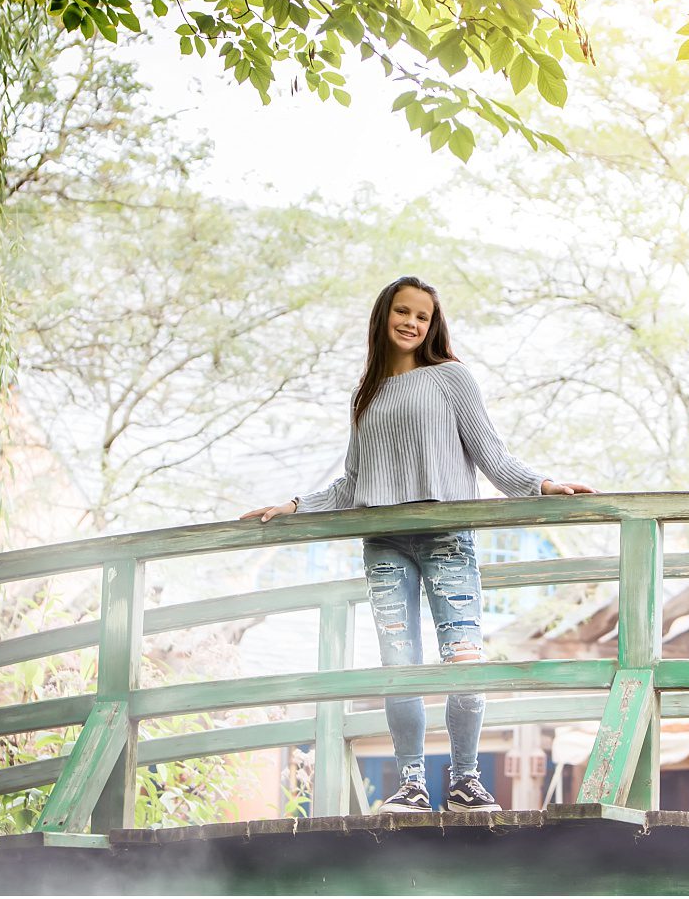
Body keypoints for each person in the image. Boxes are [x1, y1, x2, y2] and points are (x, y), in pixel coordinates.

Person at [242, 275, 594, 814]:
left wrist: (541, 486)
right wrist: (294, 506)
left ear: (433, 325)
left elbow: (491, 456)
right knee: (398, 661)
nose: (411, 322)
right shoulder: (367, 396)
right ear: (384, 317)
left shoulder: (452, 379)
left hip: (447, 536)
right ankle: (411, 782)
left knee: (463, 659)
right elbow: (352, 486)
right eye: (401, 312)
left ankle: (466, 779)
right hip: (384, 541)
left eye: (422, 316)